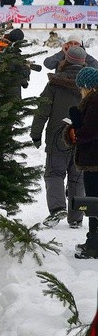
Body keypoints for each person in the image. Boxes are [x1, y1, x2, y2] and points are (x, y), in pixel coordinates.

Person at [31, 46, 86, 229]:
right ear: (83, 62)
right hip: (82, 137)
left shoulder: (55, 83)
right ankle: (76, 217)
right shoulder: (90, 85)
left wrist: (36, 134)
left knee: (54, 173)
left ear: (66, 60)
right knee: (77, 177)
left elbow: (42, 111)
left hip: (57, 136)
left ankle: (57, 209)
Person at [67, 67, 98, 259]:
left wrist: (76, 125)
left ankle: (94, 244)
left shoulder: (94, 102)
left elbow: (89, 132)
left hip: (94, 161)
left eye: (81, 87)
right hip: (93, 159)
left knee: (94, 202)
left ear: (87, 86)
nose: (80, 91)